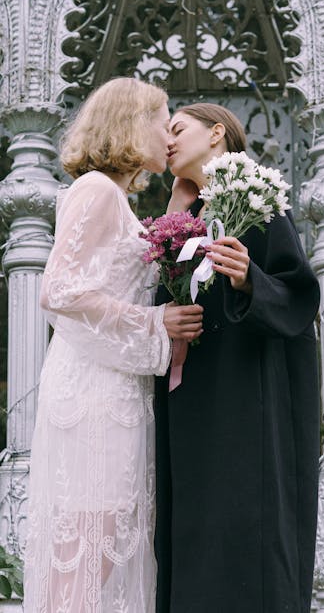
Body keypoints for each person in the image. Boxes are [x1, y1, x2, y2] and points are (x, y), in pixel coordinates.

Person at [23, 78, 203, 613]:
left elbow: (111, 277)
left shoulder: (115, 198)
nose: (169, 135)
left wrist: (176, 207)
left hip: (116, 388)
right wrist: (156, 323)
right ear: (129, 124)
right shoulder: (96, 189)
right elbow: (59, 290)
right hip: (93, 393)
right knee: (90, 546)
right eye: (161, 120)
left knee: (109, 540)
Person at [155, 103, 320, 613]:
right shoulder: (187, 216)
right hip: (191, 403)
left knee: (241, 530)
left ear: (217, 133)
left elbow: (298, 295)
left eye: (177, 129)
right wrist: (174, 216)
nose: (166, 141)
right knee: (191, 530)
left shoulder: (256, 197)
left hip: (243, 400)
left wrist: (250, 278)